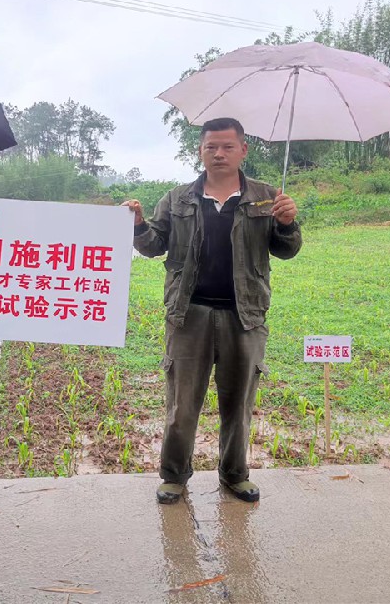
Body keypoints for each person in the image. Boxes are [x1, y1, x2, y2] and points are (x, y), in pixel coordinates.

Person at [124, 117, 301, 505]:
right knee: (182, 404)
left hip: (246, 317)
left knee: (238, 404)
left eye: (227, 146)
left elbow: (285, 250)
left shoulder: (268, 197)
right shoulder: (178, 198)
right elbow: (154, 245)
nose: (218, 154)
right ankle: (174, 477)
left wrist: (287, 223)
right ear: (200, 151)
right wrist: (137, 225)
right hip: (189, 315)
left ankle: (235, 475)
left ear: (243, 150)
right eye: (211, 147)